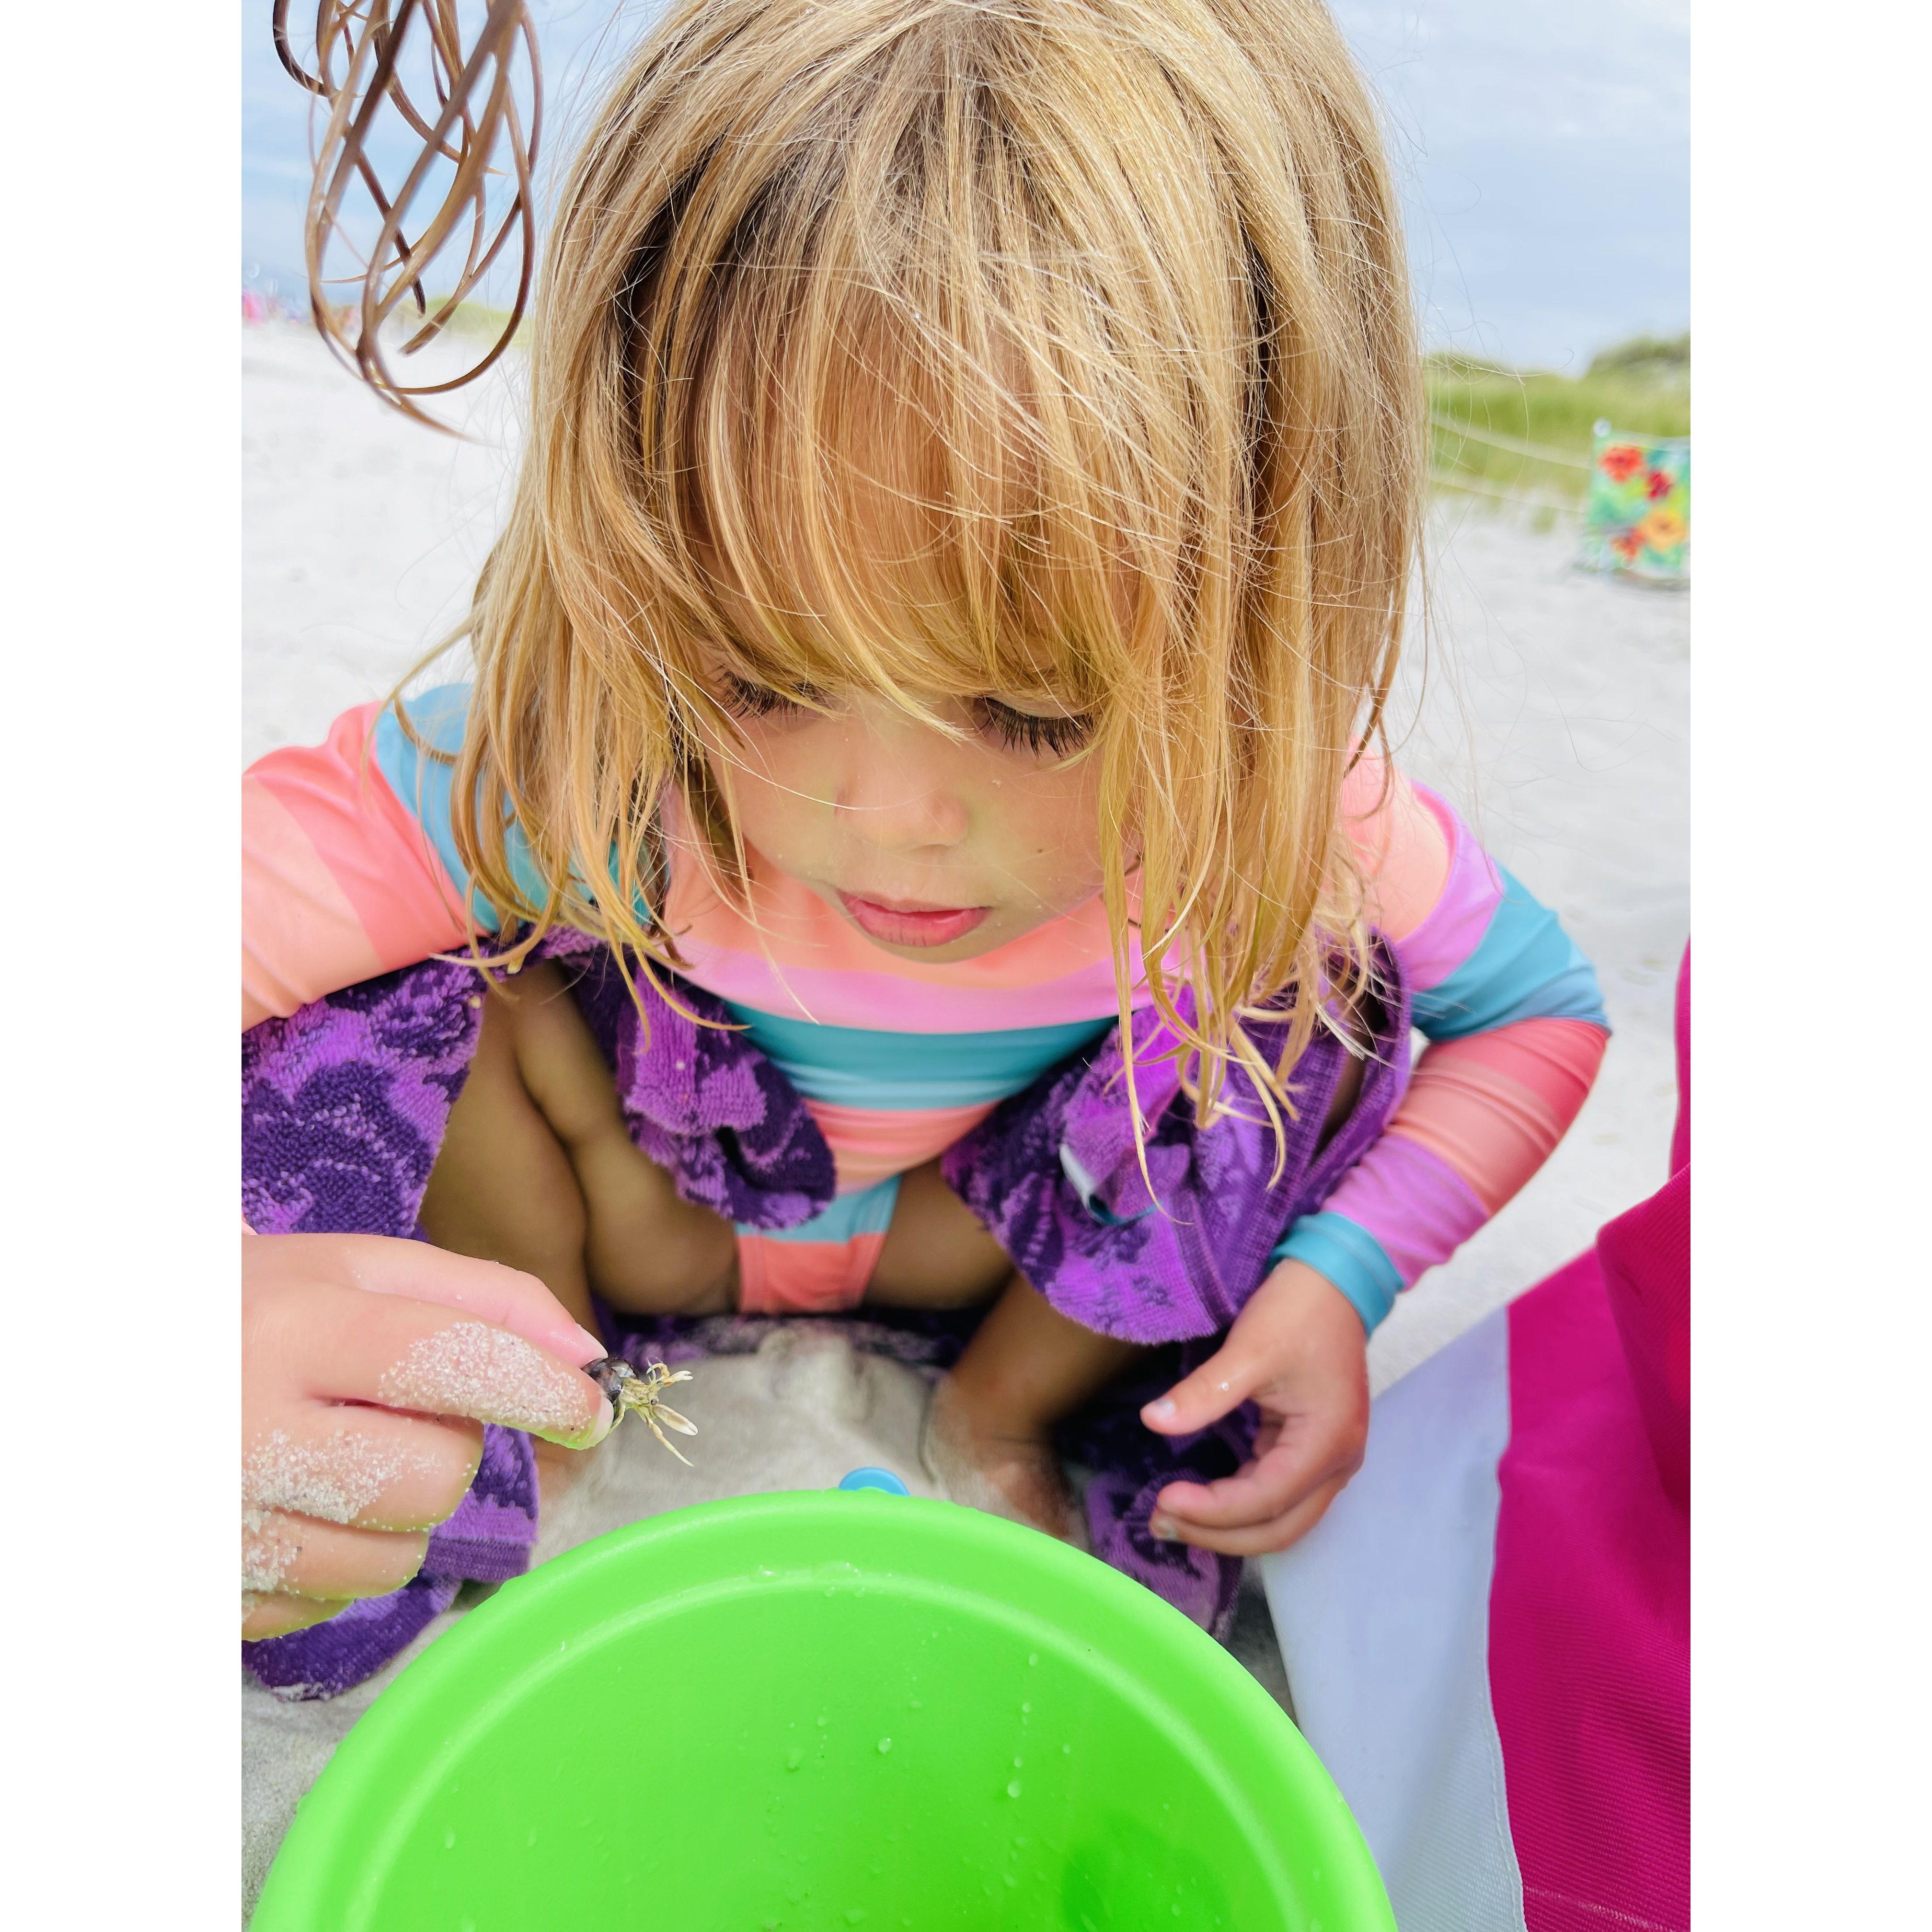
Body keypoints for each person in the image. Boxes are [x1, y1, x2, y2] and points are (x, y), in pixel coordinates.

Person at [242, 0, 1608, 1671]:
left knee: (1308, 1001)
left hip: (989, 1256)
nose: (886, 818)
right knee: (403, 1005)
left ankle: (999, 1430)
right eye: (759, 677)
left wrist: (1343, 1273)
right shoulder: (572, 760)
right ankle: (550, 1417)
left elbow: (1538, 1017)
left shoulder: (1278, 805)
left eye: (1042, 713)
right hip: (636, 1217)